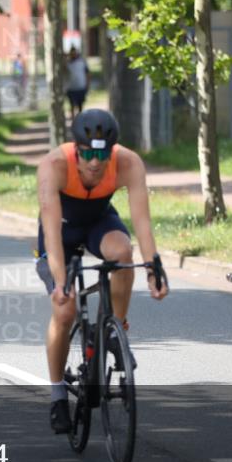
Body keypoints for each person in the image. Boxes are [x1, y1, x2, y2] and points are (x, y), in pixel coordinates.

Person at [35, 109, 168, 434]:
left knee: (122, 253)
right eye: (88, 154)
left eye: (103, 154)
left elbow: (142, 222)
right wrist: (61, 282)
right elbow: (51, 233)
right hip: (61, 232)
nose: (95, 163)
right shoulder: (54, 165)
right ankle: (57, 395)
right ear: (75, 149)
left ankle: (114, 330)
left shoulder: (128, 163)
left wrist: (154, 268)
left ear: (112, 151)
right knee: (64, 310)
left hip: (98, 222)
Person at [65, 47, 89, 117]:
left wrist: (87, 85)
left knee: (80, 105)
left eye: (74, 53)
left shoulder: (82, 62)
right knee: (72, 105)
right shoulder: (67, 63)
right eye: (72, 53)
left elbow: (87, 74)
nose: (73, 54)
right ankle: (73, 120)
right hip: (71, 88)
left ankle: (80, 119)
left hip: (81, 87)